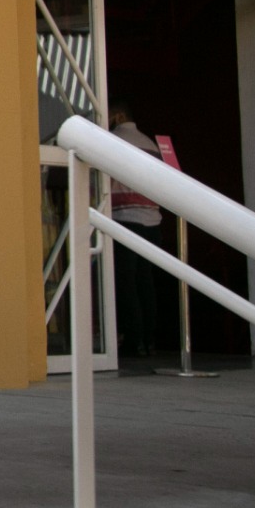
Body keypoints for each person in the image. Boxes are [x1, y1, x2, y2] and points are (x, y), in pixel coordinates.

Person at [108, 101, 163, 357]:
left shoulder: (112, 141)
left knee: (126, 283)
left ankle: (132, 339)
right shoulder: (151, 144)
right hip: (153, 220)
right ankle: (149, 338)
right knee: (146, 282)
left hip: (125, 218)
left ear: (117, 115)